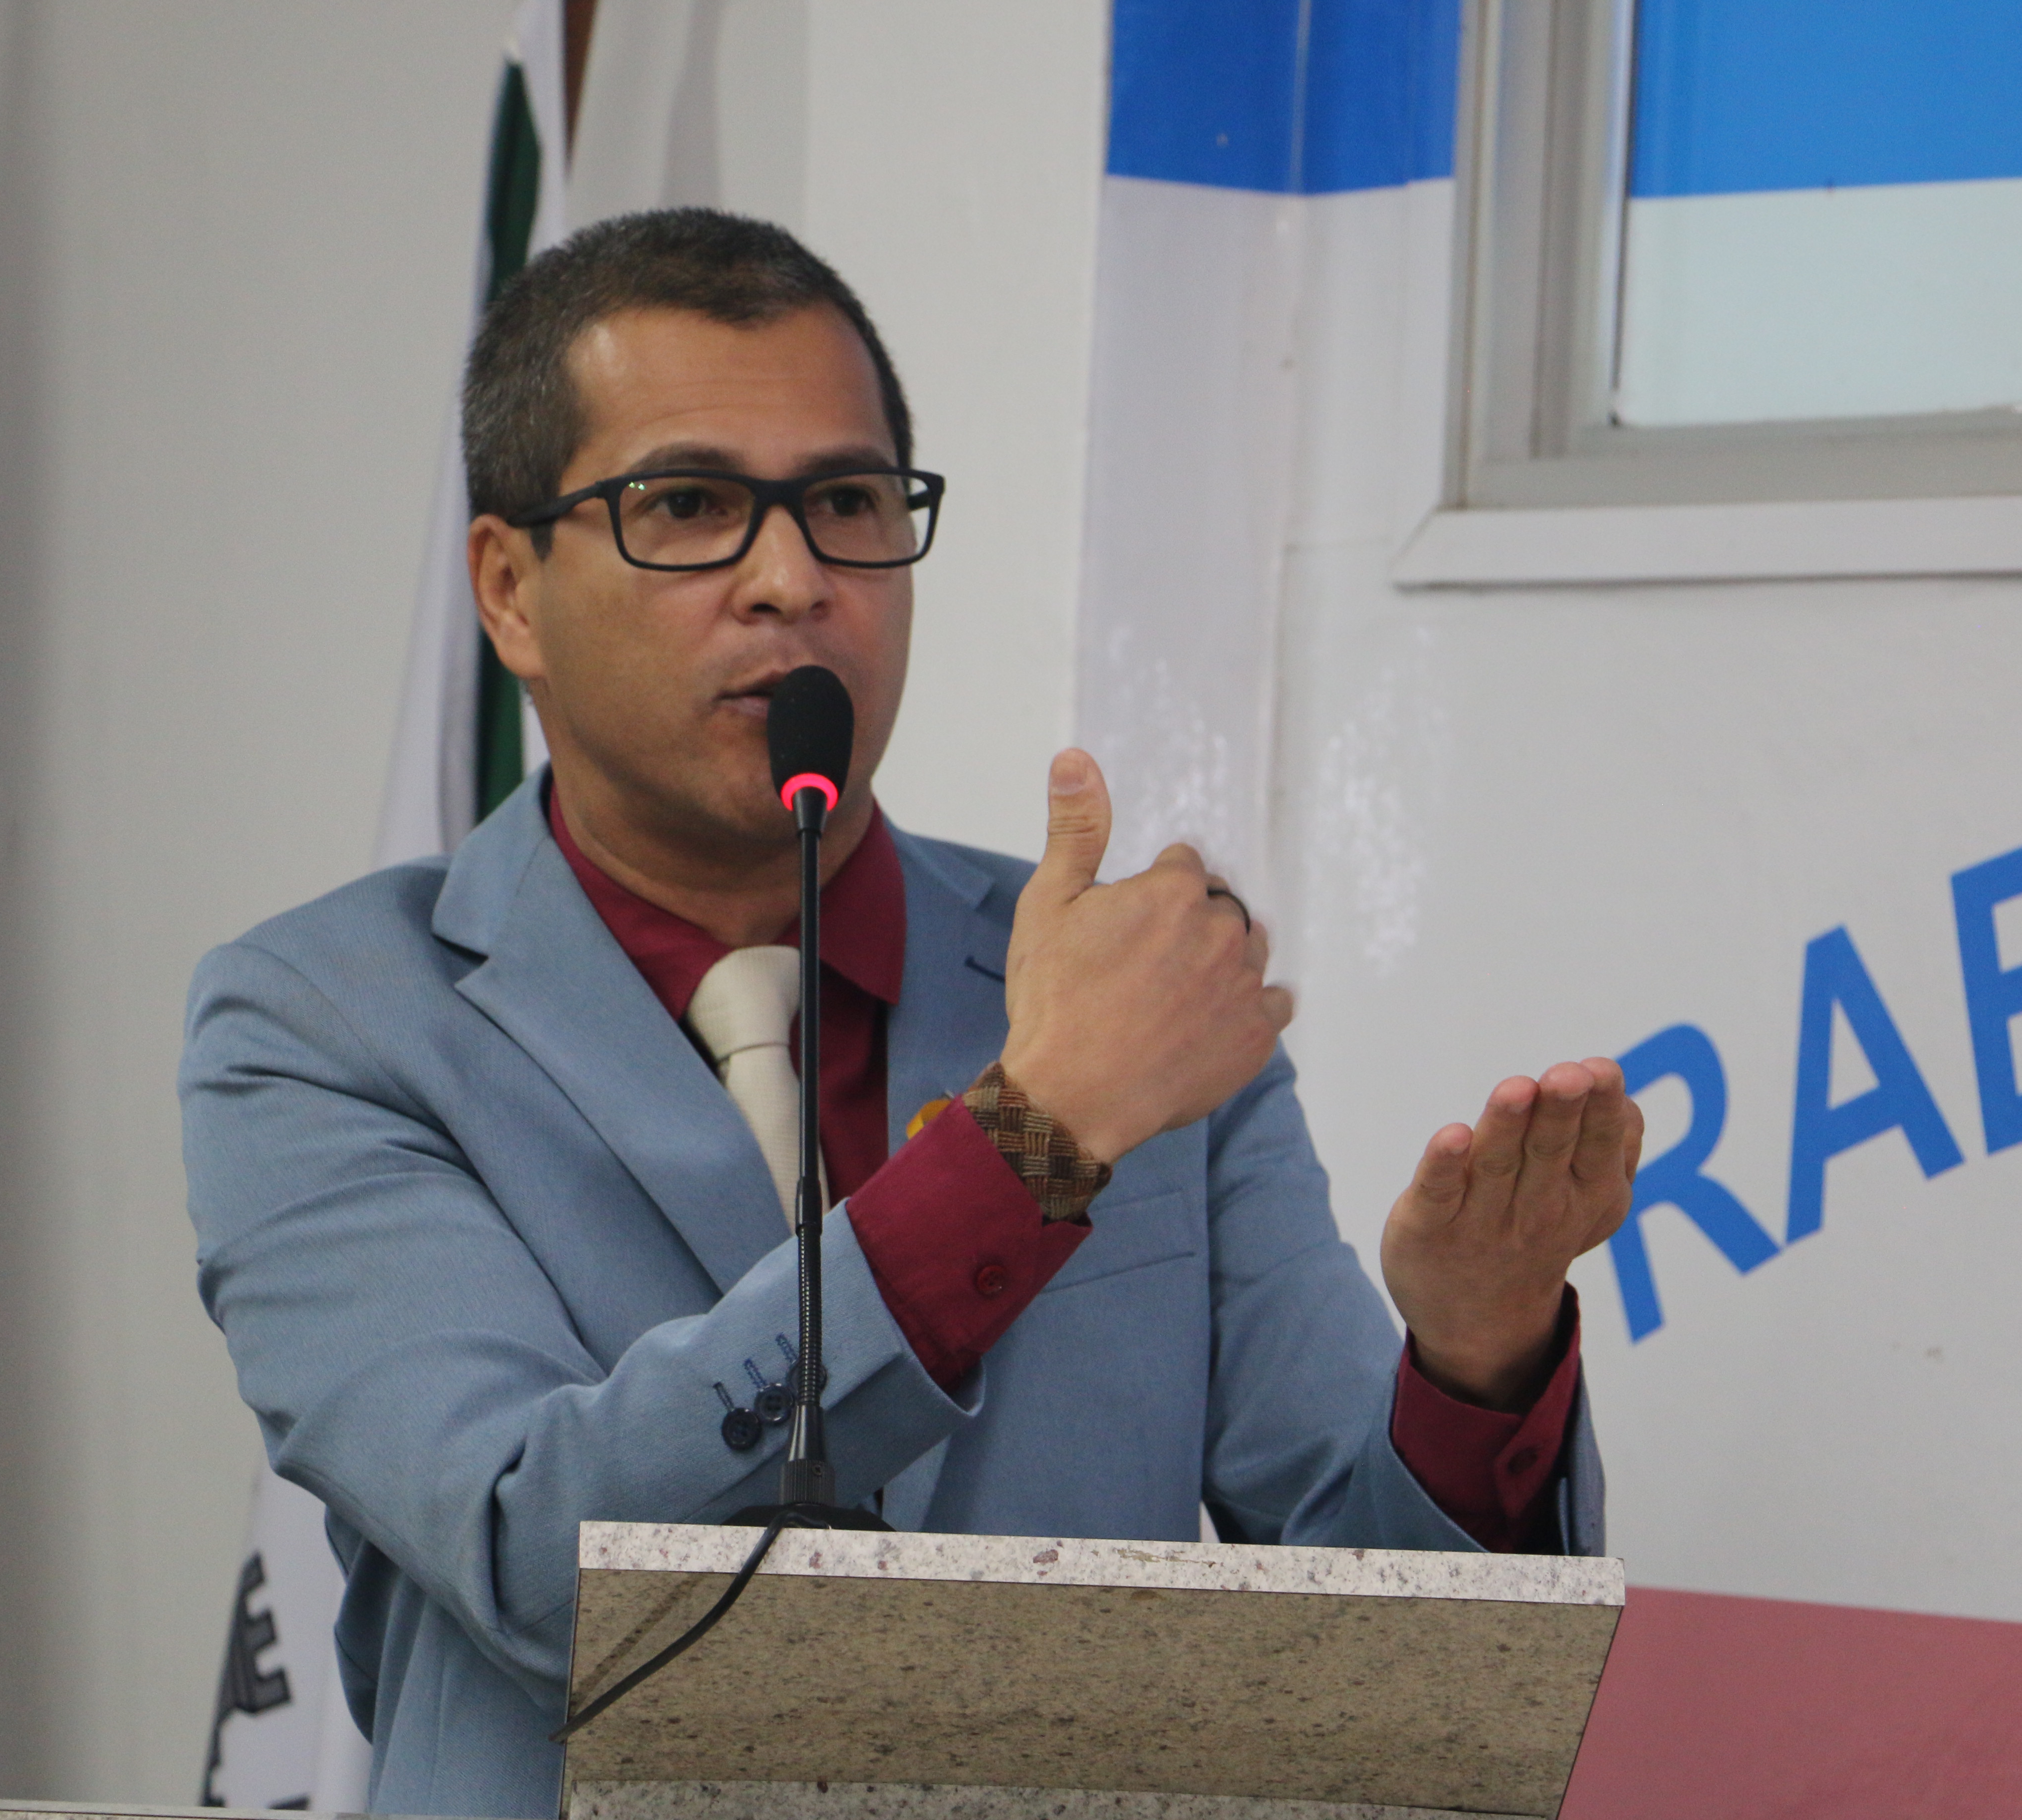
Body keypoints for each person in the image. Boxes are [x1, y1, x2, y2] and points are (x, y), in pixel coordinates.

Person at [180, 209, 1642, 1820]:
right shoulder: (325, 1026)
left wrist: (1475, 1360)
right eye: (689, 507)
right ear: (511, 589)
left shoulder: (1121, 987)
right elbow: (539, 1557)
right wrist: (1029, 1148)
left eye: (849, 504)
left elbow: (1378, 1668)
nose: (793, 582)